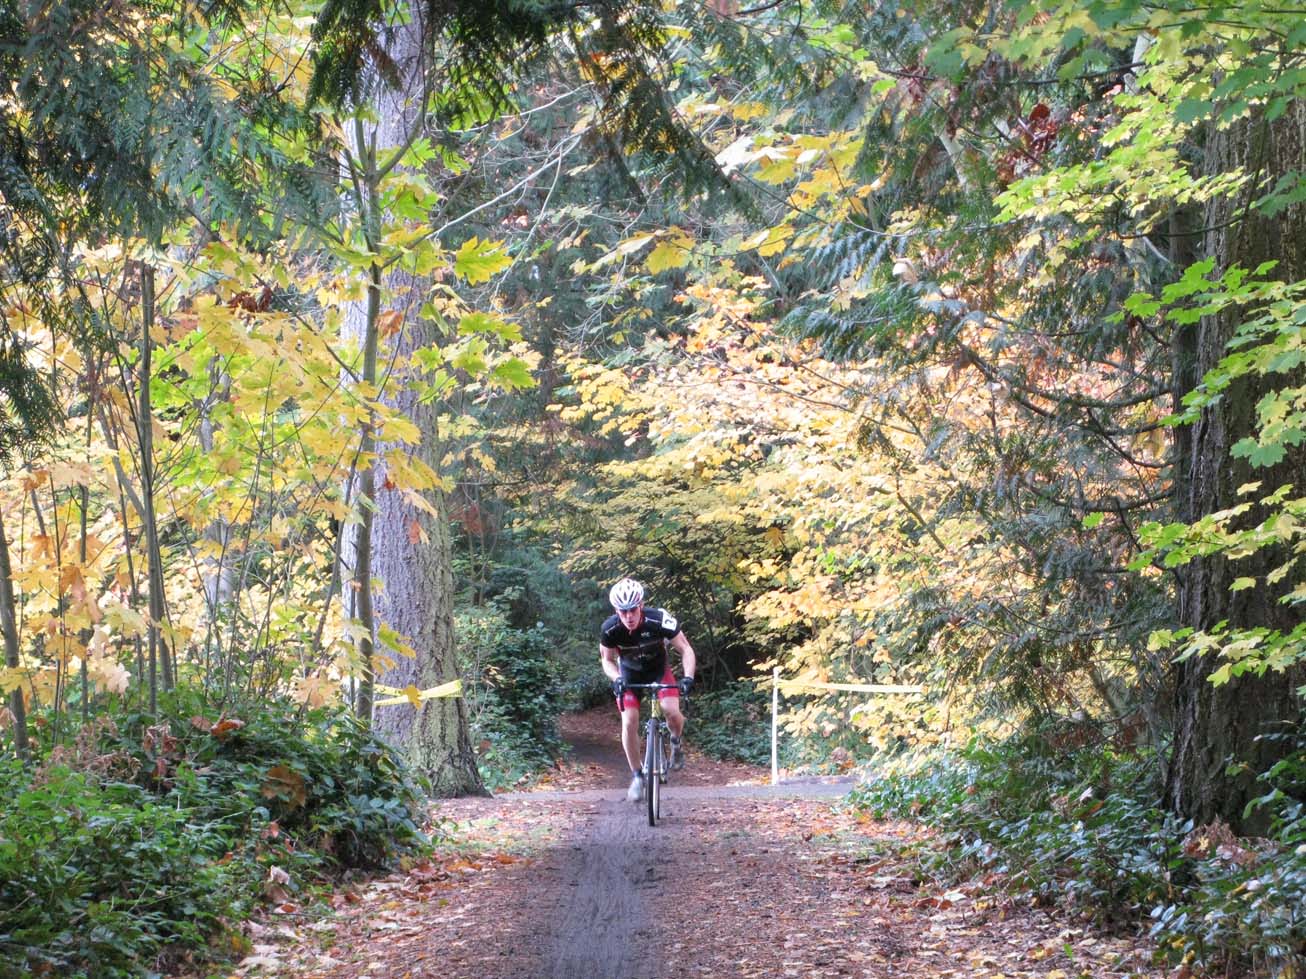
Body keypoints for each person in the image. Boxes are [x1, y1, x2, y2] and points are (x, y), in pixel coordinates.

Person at [599, 578, 697, 803]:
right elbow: (607, 660)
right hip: (629, 675)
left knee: (671, 711)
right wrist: (616, 678)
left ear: (641, 605)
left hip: (658, 671)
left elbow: (685, 649)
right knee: (629, 721)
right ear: (616, 610)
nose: (628, 617)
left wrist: (688, 677)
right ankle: (636, 775)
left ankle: (675, 741)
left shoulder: (659, 619)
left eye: (632, 610)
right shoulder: (610, 629)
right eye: (623, 612)